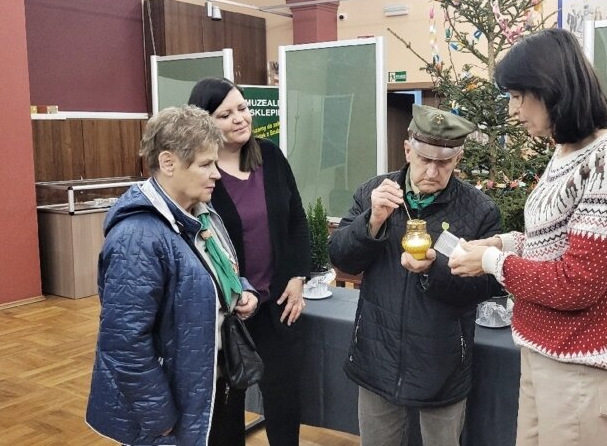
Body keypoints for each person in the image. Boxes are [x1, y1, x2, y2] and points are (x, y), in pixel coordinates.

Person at [448, 28, 607, 446]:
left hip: (581, 364)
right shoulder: (565, 153)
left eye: (520, 96)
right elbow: (553, 242)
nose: (514, 110)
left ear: (551, 89)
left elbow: (579, 282)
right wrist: (503, 244)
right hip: (542, 350)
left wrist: (490, 264)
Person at [329, 104, 505, 446]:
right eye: (425, 158)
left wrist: (434, 269)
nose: (432, 171)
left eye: (444, 162)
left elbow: (486, 286)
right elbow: (341, 258)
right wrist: (373, 221)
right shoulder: (374, 193)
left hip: (443, 363)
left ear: (458, 159)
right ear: (407, 149)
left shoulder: (480, 210)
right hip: (378, 355)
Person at [86, 105, 259, 445]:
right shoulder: (136, 237)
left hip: (210, 387)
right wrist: (160, 417)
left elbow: (217, 272)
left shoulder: (202, 214)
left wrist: (242, 290)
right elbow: (124, 344)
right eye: (205, 164)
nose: (217, 174)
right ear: (168, 163)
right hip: (172, 412)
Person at [189, 77, 311, 445]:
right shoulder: (200, 172)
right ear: (204, 122)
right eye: (225, 114)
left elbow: (296, 219)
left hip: (276, 303)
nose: (239, 119)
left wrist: (297, 276)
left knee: (284, 398)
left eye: (242, 108)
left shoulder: (270, 156)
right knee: (228, 404)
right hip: (229, 312)